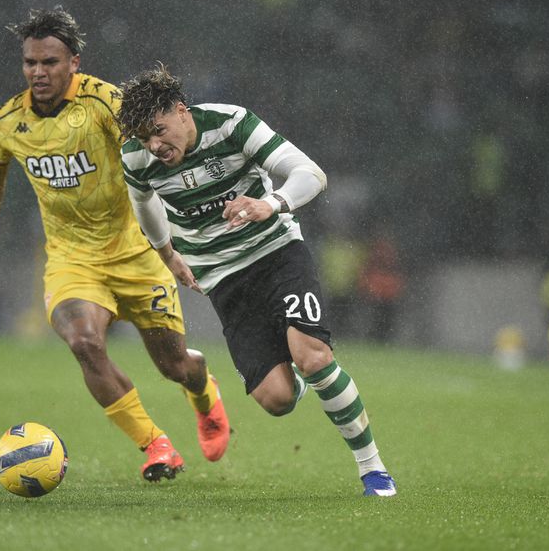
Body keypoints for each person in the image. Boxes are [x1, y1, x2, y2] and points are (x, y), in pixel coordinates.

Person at [0, 9, 230, 482]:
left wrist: (192, 222)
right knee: (84, 341)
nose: (38, 72)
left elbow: (158, 154)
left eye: (50, 62)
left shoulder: (104, 104)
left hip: (138, 252)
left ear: (73, 62)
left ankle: (205, 395)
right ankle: (156, 446)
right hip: (73, 259)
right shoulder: (8, 122)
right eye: (30, 62)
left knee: (175, 365)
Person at [116, 64, 397, 497]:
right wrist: (167, 253)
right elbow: (143, 201)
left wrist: (273, 203)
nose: (154, 144)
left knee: (315, 357)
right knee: (277, 400)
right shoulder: (137, 156)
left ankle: (373, 470)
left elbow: (311, 174)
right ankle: (302, 377)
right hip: (224, 280)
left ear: (181, 110)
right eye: (143, 136)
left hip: (277, 253)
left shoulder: (231, 123)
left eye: (159, 129)